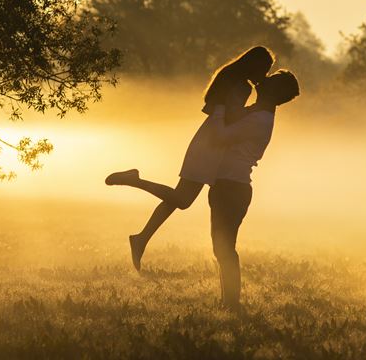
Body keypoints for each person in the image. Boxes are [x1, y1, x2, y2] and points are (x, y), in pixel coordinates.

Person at [105, 46, 275, 271]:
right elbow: (230, 118)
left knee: (177, 198)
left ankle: (141, 239)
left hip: (207, 139)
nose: (264, 75)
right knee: (182, 200)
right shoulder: (241, 87)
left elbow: (213, 110)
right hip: (212, 146)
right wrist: (254, 111)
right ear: (255, 64)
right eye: (265, 69)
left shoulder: (227, 76)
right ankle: (134, 181)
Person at [208, 69, 300, 312]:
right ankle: (228, 301)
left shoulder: (259, 119)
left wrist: (218, 108)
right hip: (229, 185)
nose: (264, 78)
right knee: (222, 247)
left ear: (273, 91)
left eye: (271, 80)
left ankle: (231, 302)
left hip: (231, 186)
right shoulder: (258, 113)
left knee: (224, 247)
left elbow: (220, 137)